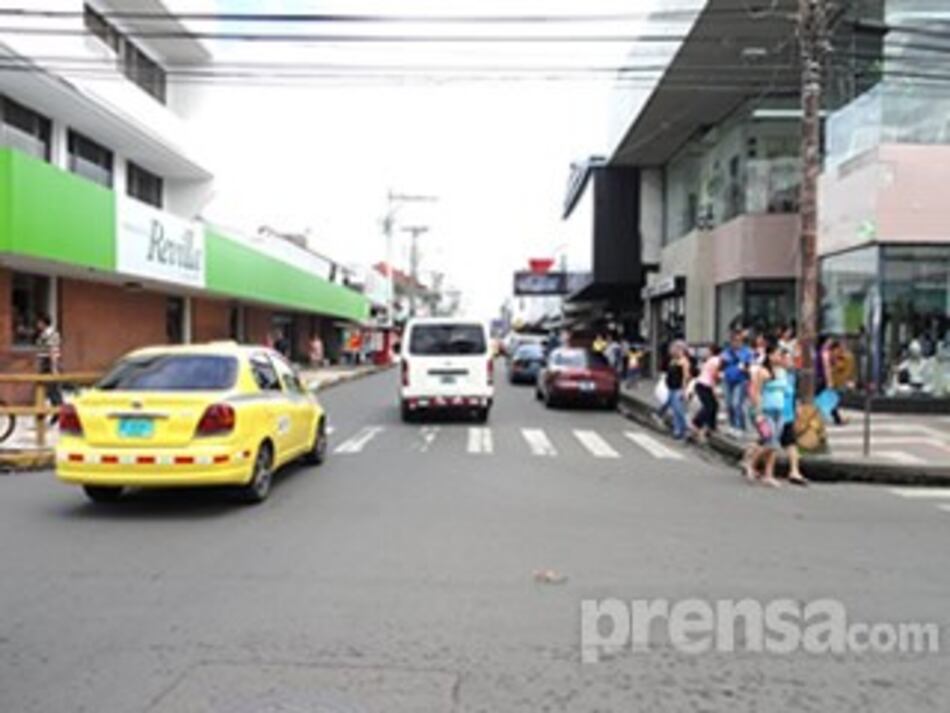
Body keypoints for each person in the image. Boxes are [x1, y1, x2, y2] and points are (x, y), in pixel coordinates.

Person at [742, 343, 784, 488]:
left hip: (779, 411)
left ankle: (768, 475)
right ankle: (751, 463)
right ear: (770, 356)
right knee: (771, 442)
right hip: (765, 411)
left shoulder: (782, 372)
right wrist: (758, 412)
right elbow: (755, 392)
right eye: (778, 354)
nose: (780, 357)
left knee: (773, 445)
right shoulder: (762, 371)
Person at [779, 347, 808, 486]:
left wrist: (797, 407)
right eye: (787, 358)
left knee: (791, 443)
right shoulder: (774, 374)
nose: (790, 361)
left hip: (788, 415)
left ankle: (794, 471)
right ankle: (750, 461)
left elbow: (795, 393)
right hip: (775, 414)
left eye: (791, 359)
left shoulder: (792, 375)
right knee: (765, 443)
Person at [656, 341, 691, 440]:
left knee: (679, 410)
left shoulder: (684, 361)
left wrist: (684, 390)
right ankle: (677, 430)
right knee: (675, 410)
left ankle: (683, 429)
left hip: (678, 388)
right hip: (671, 387)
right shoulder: (673, 361)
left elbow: (686, 377)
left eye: (677, 349)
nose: (675, 351)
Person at [720, 330, 753, 434]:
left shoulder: (747, 352)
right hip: (728, 380)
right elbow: (722, 364)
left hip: (741, 381)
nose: (736, 343)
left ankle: (739, 427)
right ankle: (732, 425)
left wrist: (745, 368)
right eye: (734, 340)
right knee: (729, 404)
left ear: (742, 341)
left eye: (738, 340)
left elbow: (751, 367)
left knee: (736, 403)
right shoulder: (726, 352)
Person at [690, 345, 721, 443]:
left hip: (702, 384)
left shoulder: (713, 360)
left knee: (714, 405)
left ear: (712, 351)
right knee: (709, 406)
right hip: (704, 385)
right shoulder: (715, 360)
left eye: (708, 351)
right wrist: (714, 389)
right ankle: (696, 423)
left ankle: (711, 427)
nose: (706, 352)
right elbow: (714, 376)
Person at [35, 313, 63, 421]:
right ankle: (45, 412)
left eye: (39, 322)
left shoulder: (51, 334)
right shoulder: (44, 334)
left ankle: (57, 412)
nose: (37, 324)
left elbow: (52, 351)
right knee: (44, 388)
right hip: (44, 363)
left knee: (52, 389)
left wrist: (54, 367)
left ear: (43, 322)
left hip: (48, 364)